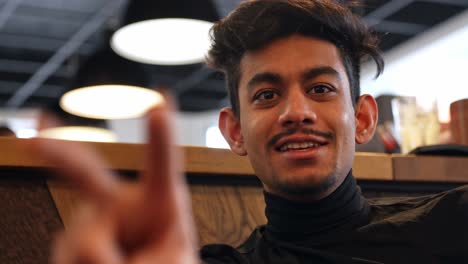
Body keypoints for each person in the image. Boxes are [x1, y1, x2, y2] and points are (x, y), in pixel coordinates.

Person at [30, 0, 468, 263]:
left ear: (364, 118)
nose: (296, 112)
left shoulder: (452, 226)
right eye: (266, 95)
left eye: (320, 89)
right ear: (234, 131)